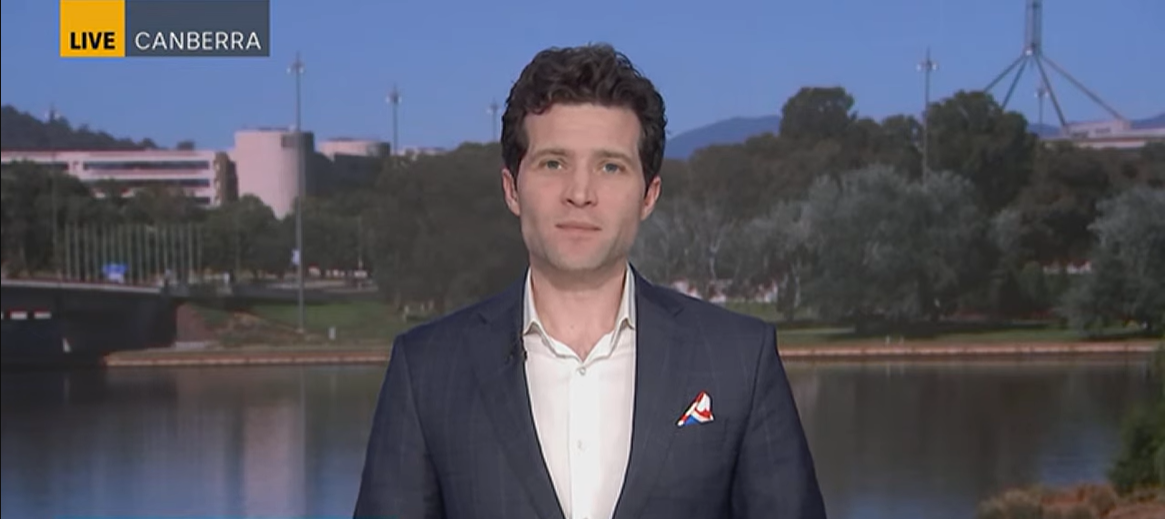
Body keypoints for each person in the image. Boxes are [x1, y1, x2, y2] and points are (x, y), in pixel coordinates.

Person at [354, 43, 827, 519]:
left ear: (648, 195)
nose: (580, 193)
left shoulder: (739, 361)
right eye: (554, 163)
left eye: (610, 166)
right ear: (511, 188)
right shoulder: (428, 371)